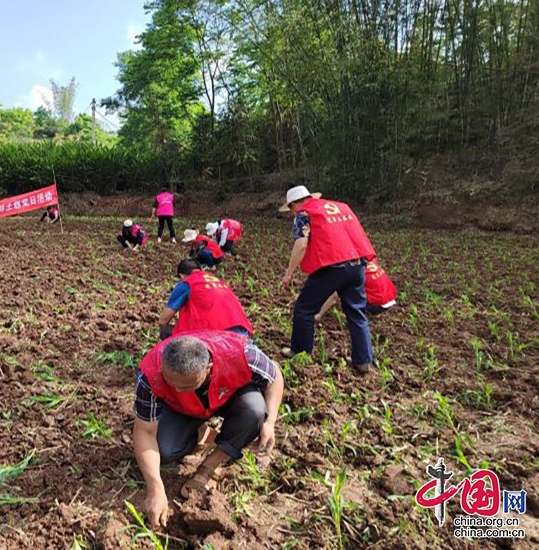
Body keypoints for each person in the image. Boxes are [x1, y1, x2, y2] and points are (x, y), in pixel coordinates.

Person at [133, 332, 284, 527]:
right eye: (170, 383)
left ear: (208, 369)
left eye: (185, 385)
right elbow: (144, 431)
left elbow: (274, 376)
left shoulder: (240, 353)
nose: (177, 389)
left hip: (230, 395)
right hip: (182, 408)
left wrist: (270, 422)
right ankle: (201, 433)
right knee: (165, 450)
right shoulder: (151, 373)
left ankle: (209, 467)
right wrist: (155, 488)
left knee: (254, 411)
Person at [279, 185, 376, 374]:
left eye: (291, 209)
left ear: (295, 204)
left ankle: (300, 352)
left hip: (332, 265)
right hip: (357, 264)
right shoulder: (341, 207)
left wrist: (289, 273)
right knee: (356, 312)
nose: (292, 213)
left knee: (304, 308)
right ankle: (363, 361)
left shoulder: (304, 213)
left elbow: (301, 245)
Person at [159, 259, 253, 341]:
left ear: (181, 276)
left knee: (165, 331)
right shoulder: (219, 281)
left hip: (213, 337)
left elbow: (163, 320)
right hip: (243, 335)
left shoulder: (187, 283)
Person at [315, 259, 397, 322]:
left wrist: (319, 314)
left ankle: (359, 314)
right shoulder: (367, 258)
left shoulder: (349, 269)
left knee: (346, 288)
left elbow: (334, 296)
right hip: (390, 298)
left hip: (377, 304)